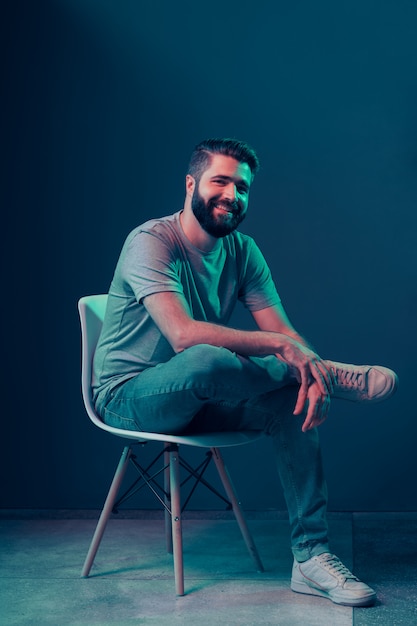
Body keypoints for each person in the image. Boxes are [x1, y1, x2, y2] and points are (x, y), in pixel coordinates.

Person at [92, 138, 398, 607]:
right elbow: (183, 336)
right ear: (192, 183)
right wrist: (288, 353)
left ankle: (311, 558)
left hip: (203, 397)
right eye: (220, 181)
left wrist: (304, 367)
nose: (232, 195)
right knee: (204, 355)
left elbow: (286, 333)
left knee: (288, 402)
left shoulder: (243, 251)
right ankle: (333, 376)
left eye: (243, 187)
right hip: (129, 397)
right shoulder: (151, 241)